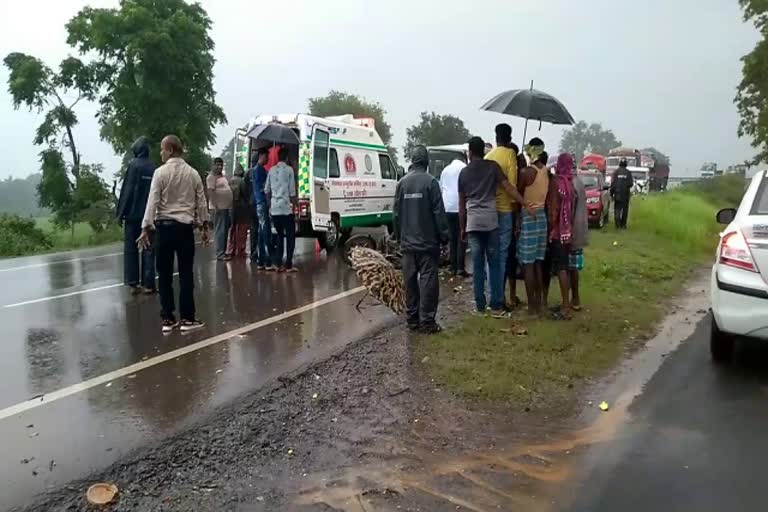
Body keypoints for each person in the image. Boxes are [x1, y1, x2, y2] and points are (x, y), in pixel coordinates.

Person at [139, 135, 210, 333]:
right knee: (186, 274)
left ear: (170, 149)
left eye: (162, 149)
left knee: (164, 275)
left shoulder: (159, 173)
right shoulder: (193, 173)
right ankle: (188, 318)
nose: (160, 153)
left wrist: (146, 226)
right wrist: (204, 226)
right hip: (185, 230)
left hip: (163, 229)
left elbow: (152, 201)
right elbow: (201, 203)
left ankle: (168, 319)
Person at [459, 136, 532, 316]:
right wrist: (524, 204)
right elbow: (509, 188)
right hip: (491, 222)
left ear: (470, 152)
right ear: (483, 151)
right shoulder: (492, 167)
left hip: (473, 224)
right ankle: (497, 303)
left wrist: (462, 228)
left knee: (477, 267)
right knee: (495, 263)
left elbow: (462, 204)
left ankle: (480, 306)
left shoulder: (464, 173)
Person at [394, 145, 450, 334]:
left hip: (407, 244)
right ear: (426, 162)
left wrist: (398, 237)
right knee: (428, 281)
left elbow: (396, 214)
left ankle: (412, 319)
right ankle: (427, 321)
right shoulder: (431, 182)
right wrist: (444, 238)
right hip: (427, 243)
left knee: (410, 282)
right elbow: (438, 213)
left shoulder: (402, 183)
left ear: (412, 161)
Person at [485, 124, 519, 308]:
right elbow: (512, 186)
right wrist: (516, 217)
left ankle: (492, 295)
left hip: (490, 210)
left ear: (496, 136)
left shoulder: (488, 155)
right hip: (506, 210)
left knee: (491, 255)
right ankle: (499, 298)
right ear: (510, 137)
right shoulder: (510, 155)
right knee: (503, 255)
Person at [116, 136, 156, 295]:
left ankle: (133, 283)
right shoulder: (153, 167)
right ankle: (149, 284)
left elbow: (127, 191)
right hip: (148, 215)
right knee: (148, 249)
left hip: (132, 216)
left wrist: (120, 214)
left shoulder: (133, 165)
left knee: (131, 249)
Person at [517, 149, 550, 315]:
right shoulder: (546, 171)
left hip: (528, 216)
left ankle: (531, 306)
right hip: (542, 217)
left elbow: (518, 192)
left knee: (527, 263)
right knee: (538, 262)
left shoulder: (526, 172)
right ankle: (539, 301)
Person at [547, 153, 577, 320]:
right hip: (567, 232)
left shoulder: (556, 183)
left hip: (558, 233)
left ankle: (565, 307)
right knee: (564, 266)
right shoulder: (570, 184)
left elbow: (553, 211)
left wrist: (551, 229)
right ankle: (566, 303)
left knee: (561, 269)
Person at [266, 147, 298, 273]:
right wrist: (295, 207)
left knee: (279, 235)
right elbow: (292, 192)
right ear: (286, 158)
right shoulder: (289, 170)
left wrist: (270, 204)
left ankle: (277, 263)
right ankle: (288, 264)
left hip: (274, 208)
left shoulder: (271, 170)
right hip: (285, 209)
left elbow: (266, 190)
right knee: (290, 236)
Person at [439, 152, 468, 277]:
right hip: (460, 207)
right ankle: (460, 269)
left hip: (447, 207)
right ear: (463, 159)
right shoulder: (464, 168)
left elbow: (442, 188)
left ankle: (452, 267)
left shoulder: (445, 170)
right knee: (461, 237)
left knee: (452, 238)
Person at [248, 149, 273, 270]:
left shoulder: (255, 170)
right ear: (262, 156)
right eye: (267, 157)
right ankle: (267, 260)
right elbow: (264, 188)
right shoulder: (259, 171)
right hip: (262, 203)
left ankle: (261, 259)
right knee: (265, 231)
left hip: (259, 203)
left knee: (261, 232)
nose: (268, 159)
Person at [206, 157, 233, 260]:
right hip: (218, 208)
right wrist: (215, 205)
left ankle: (223, 251)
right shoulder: (211, 177)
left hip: (225, 207)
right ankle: (220, 253)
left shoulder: (221, 176)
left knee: (225, 230)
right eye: (217, 164)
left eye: (221, 165)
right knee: (220, 231)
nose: (220, 167)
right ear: (213, 165)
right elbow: (210, 192)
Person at [570, 171, 589, 311]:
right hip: (580, 228)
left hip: (572, 230)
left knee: (570, 267)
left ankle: (574, 299)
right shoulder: (579, 182)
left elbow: (570, 210)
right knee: (573, 267)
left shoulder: (571, 184)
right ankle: (575, 299)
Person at [226, 165, 251, 257]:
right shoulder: (242, 181)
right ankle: (241, 249)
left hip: (232, 207)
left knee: (232, 229)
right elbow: (245, 194)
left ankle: (231, 249)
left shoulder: (230, 181)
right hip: (242, 208)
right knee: (242, 229)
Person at [610, 159, 634, 229]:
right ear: (626, 164)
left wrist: (611, 194)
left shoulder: (616, 172)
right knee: (625, 210)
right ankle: (623, 225)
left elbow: (613, 184)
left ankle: (617, 224)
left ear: (619, 164)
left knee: (617, 209)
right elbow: (631, 184)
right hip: (625, 194)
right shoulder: (628, 173)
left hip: (617, 194)